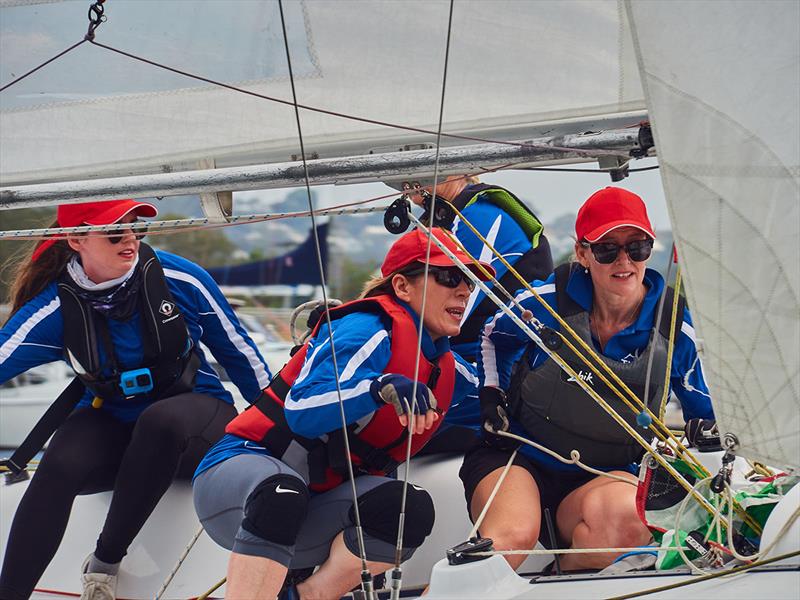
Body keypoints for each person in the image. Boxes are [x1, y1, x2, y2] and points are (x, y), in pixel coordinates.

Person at [192, 228, 494, 599]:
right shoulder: (364, 329)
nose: (463, 290)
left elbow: (500, 405)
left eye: (467, 279)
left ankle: (307, 596)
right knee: (282, 493)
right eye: (449, 277)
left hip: (313, 504)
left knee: (406, 508)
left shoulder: (448, 368)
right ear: (402, 286)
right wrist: (378, 388)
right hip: (240, 483)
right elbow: (302, 409)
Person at [0, 200, 272, 600]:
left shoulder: (182, 279)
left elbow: (244, 359)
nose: (129, 239)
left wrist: (286, 432)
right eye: (114, 232)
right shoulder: (56, 306)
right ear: (76, 239)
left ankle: (104, 565)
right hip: (124, 440)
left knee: (161, 421)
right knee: (62, 455)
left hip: (197, 429)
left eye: (135, 228)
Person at [461, 187, 715, 571]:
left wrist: (709, 428)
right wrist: (492, 397)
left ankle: (555, 582)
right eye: (607, 249)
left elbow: (704, 409)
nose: (624, 260)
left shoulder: (675, 327)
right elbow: (493, 337)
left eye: (637, 247)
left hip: (601, 478)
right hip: (518, 459)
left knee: (630, 524)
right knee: (511, 540)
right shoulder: (546, 300)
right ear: (582, 253)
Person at [412, 175, 553, 362]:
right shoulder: (438, 219)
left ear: (457, 171)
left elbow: (431, 320)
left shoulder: (481, 217)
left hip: (496, 362)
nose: (408, 181)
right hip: (462, 355)